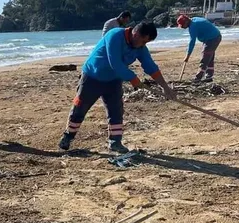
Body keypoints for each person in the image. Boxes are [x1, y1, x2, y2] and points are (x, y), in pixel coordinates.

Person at [59, 22, 176, 154]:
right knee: (80, 107)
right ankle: (68, 136)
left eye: (146, 43)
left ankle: (115, 142)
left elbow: (151, 67)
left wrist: (165, 87)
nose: (143, 45)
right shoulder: (114, 36)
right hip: (92, 76)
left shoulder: (140, 48)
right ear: (136, 34)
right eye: (143, 41)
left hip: (113, 80)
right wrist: (133, 78)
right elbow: (115, 63)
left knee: (116, 110)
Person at [177, 15, 222, 83]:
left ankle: (198, 78)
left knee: (204, 58)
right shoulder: (194, 20)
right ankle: (209, 76)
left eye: (183, 25)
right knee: (209, 58)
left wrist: (187, 56)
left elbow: (192, 42)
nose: (182, 27)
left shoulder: (193, 26)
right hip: (213, 37)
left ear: (186, 22)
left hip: (212, 39)